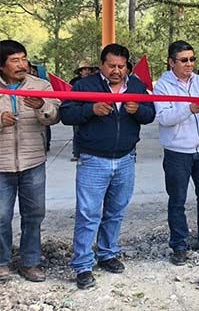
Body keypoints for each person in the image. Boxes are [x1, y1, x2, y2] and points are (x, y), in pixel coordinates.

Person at [60, 43, 156, 289]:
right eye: (111, 65)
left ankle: (108, 254)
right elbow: (67, 114)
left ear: (127, 66)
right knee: (88, 214)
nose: (116, 71)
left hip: (126, 158)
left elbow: (150, 114)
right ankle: (82, 265)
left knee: (116, 211)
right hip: (93, 159)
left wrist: (138, 110)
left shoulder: (135, 86)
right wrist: (90, 109)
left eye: (121, 66)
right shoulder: (85, 85)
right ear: (101, 64)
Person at [153, 41, 199, 266]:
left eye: (192, 59)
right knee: (177, 200)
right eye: (184, 60)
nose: (189, 64)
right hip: (177, 153)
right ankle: (179, 244)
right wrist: (189, 109)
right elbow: (164, 118)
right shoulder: (162, 86)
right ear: (171, 62)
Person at [0, 40, 59, 282]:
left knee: (34, 214)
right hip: (1, 165)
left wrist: (41, 106)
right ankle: (2, 262)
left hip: (33, 162)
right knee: (1, 216)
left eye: (24, 59)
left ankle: (30, 262)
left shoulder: (40, 85)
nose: (22, 64)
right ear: (1, 65)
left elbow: (54, 117)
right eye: (15, 60)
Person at [69, 60, 95, 161]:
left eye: (89, 69)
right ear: (80, 71)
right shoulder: (74, 82)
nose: (87, 71)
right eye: (84, 69)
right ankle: (76, 153)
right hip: (77, 110)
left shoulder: (95, 82)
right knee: (77, 133)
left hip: (91, 110)